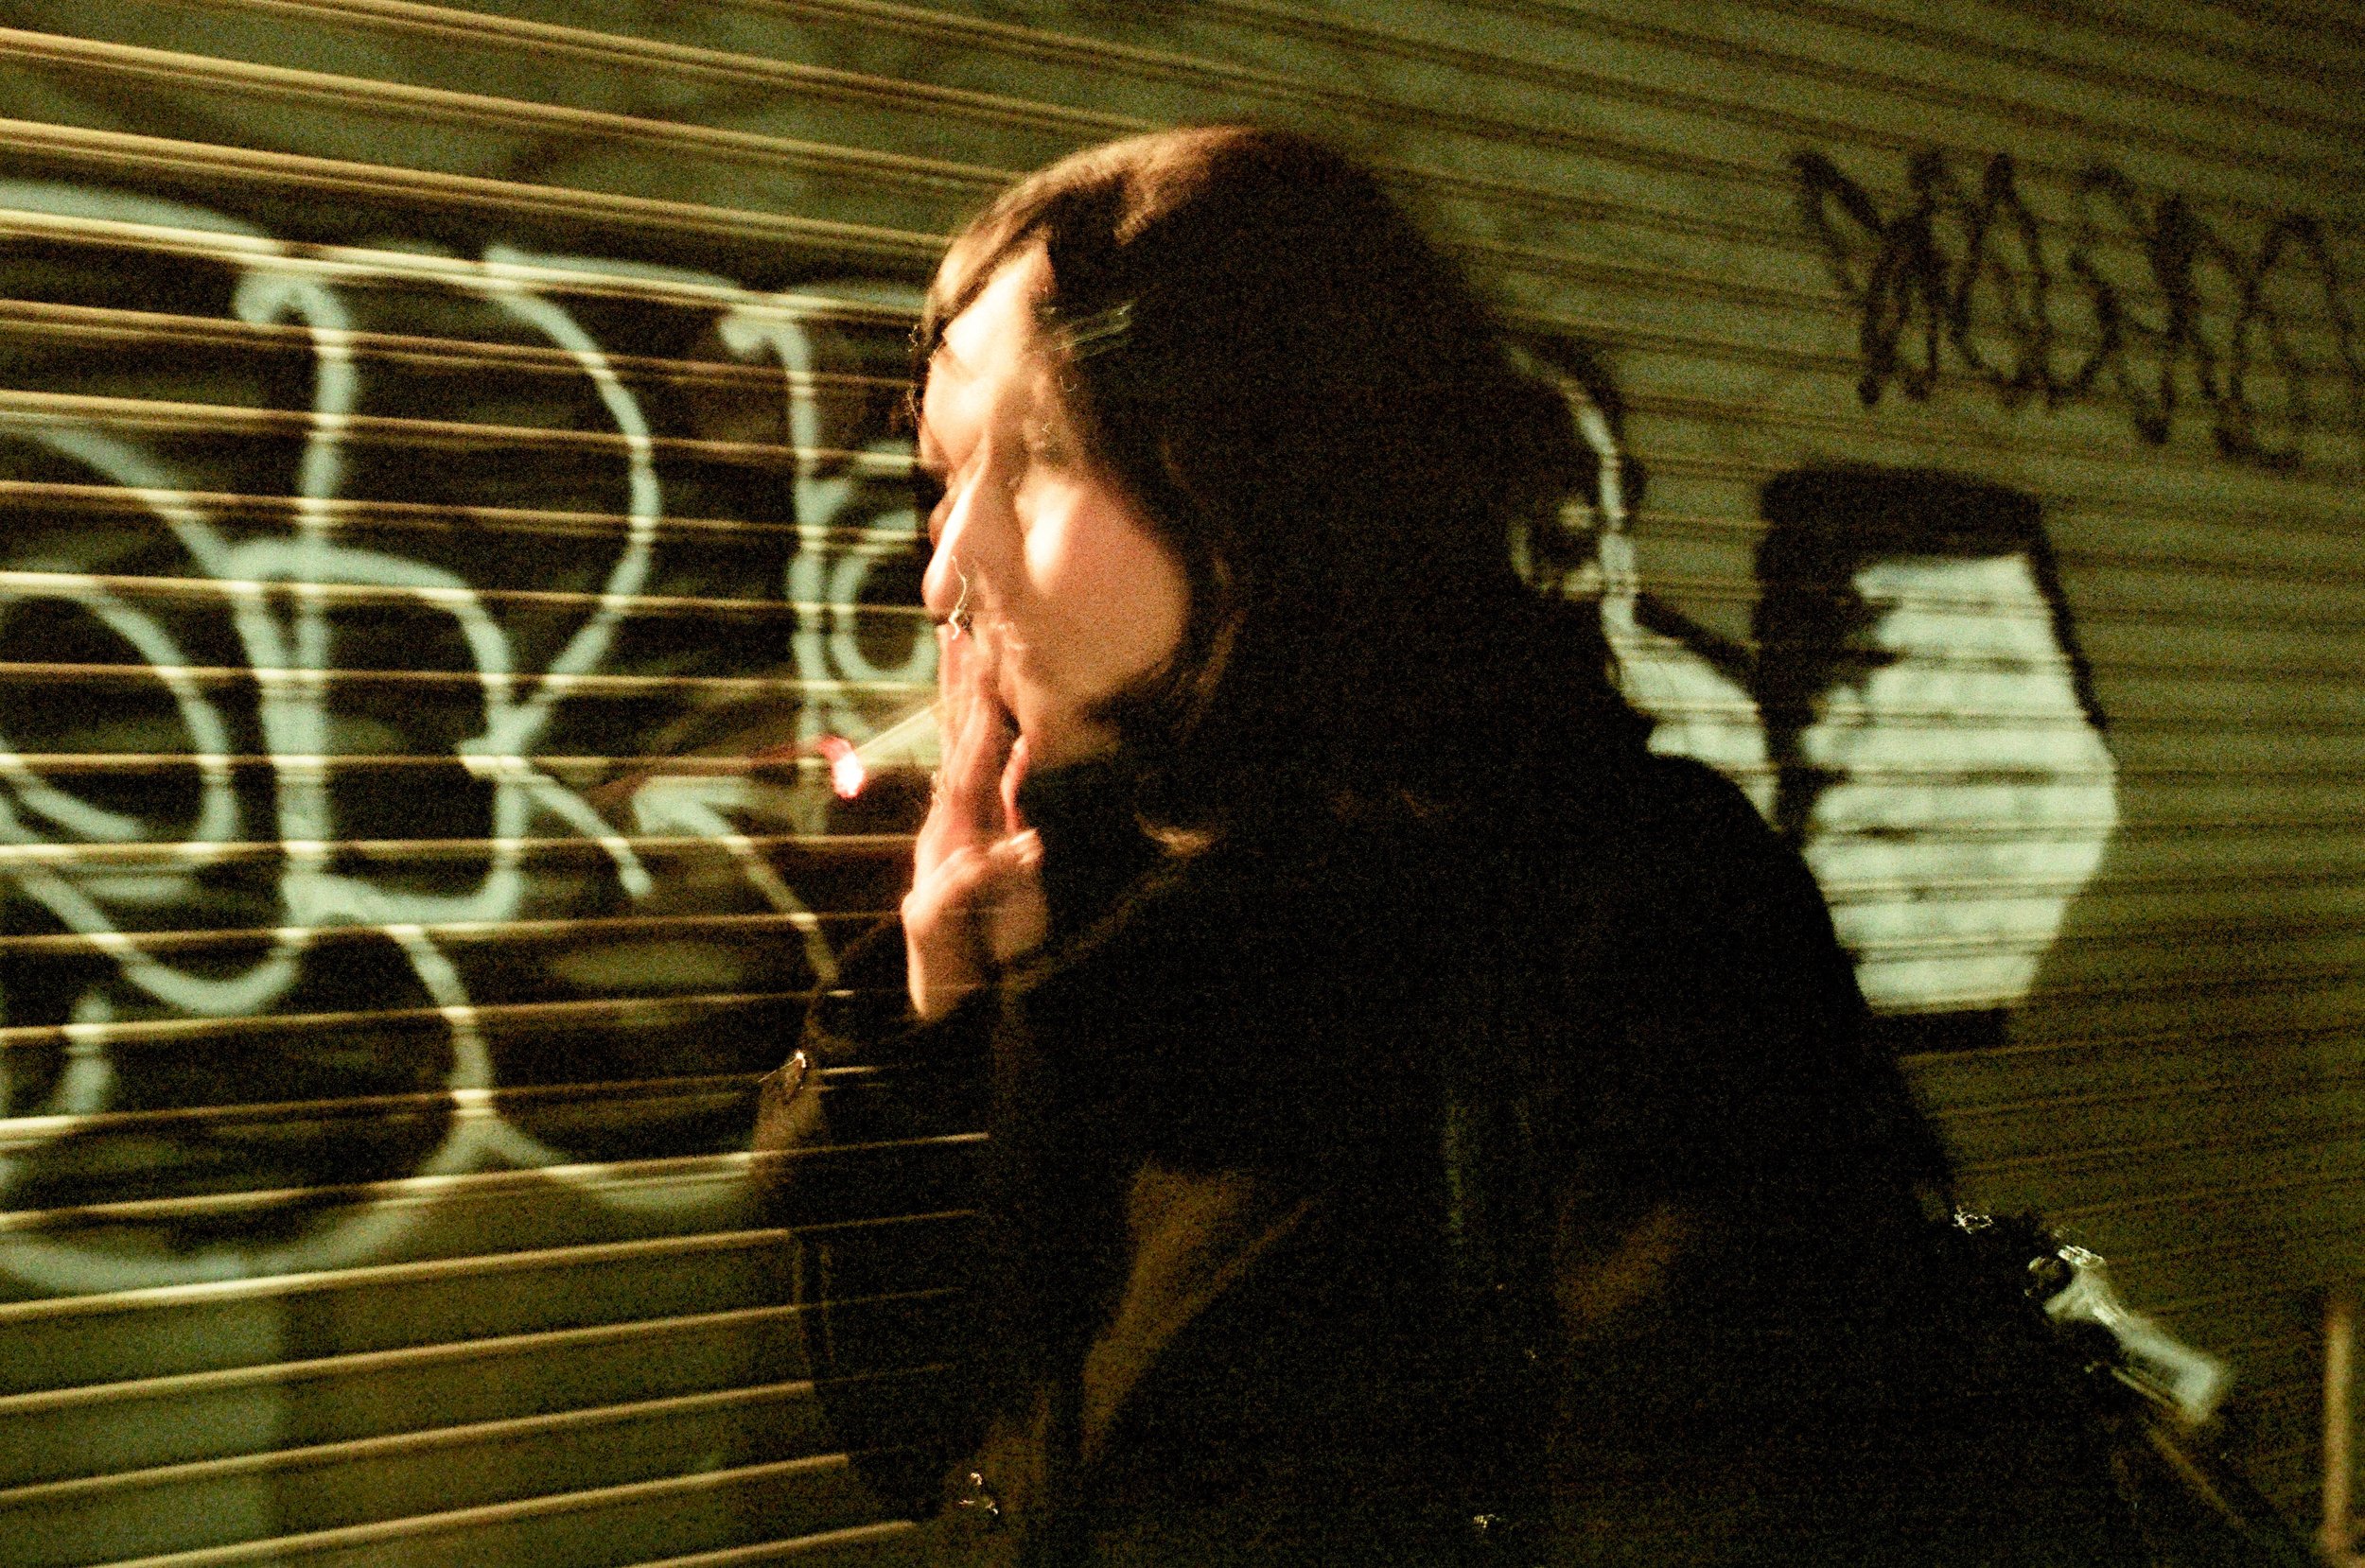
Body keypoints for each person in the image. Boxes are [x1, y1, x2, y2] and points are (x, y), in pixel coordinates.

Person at [765, 126, 2139, 1566]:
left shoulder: (1634, 924)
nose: (943, 569)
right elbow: (920, 1435)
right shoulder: (1086, 894)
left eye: (1035, 461)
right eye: (941, 475)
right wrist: (929, 1012)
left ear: (1262, 470)